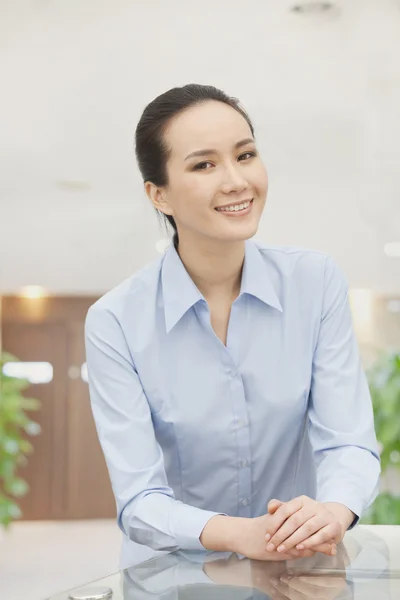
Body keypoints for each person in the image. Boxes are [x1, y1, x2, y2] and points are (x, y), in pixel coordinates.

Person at [85, 84, 380, 570]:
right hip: (173, 576)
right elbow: (139, 499)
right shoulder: (115, 320)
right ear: (159, 195)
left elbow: (347, 440)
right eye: (204, 165)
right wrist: (243, 534)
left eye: (245, 155)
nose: (236, 180)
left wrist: (332, 511)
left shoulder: (314, 281)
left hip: (298, 569)